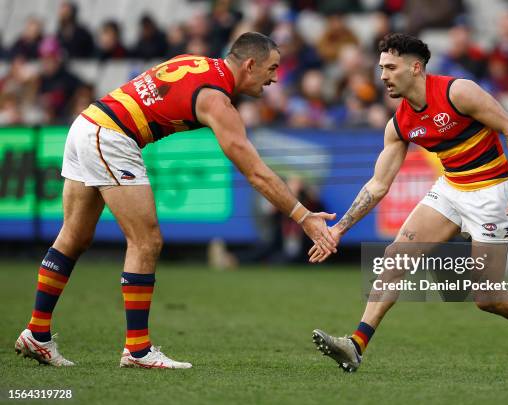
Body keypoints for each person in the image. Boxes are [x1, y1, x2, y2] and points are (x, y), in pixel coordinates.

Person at [14, 32, 337, 369]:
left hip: (86, 124)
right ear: (250, 64)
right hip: (110, 136)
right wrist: (304, 216)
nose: (274, 78)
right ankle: (137, 351)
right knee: (146, 240)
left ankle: (36, 334)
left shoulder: (194, 61)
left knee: (75, 236)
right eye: (271, 68)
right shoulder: (216, 101)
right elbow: (255, 172)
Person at [309, 34, 508, 375]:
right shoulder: (399, 124)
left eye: (390, 67)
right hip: (451, 189)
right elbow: (379, 184)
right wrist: (338, 229)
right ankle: (356, 344)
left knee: (487, 298)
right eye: (381, 68)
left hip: (493, 194)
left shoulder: (457, 92)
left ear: (416, 68)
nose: (382, 75)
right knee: (395, 257)